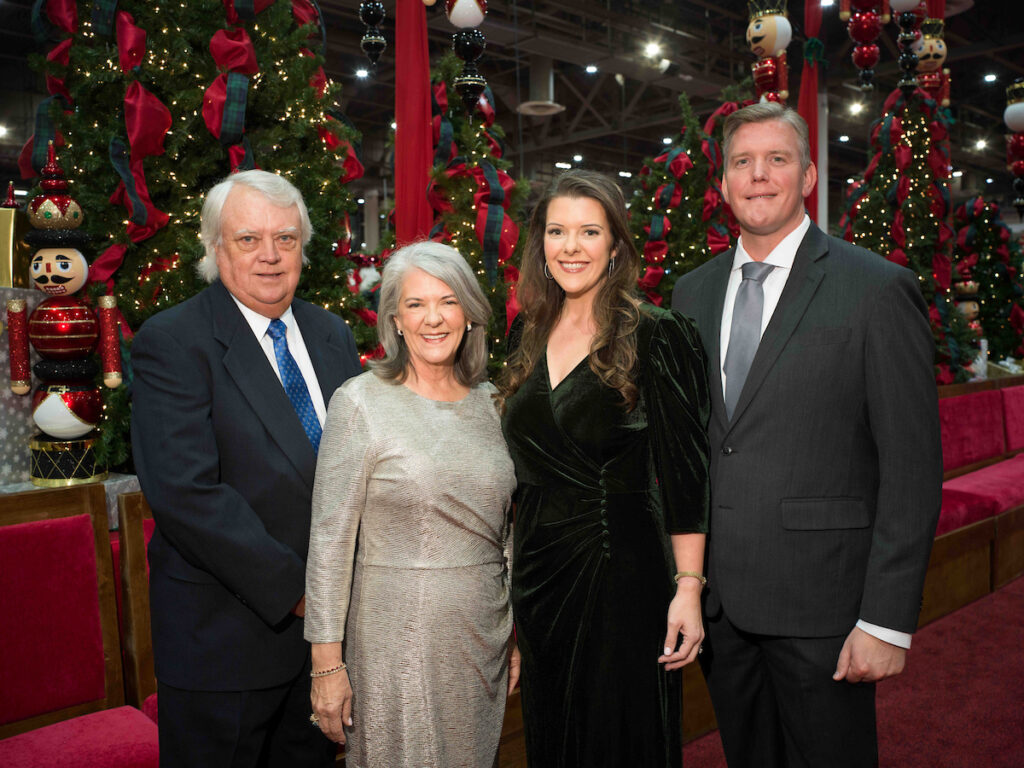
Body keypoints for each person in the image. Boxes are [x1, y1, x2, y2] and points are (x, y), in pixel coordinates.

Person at [672, 102, 942, 768]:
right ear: (724, 181)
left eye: (777, 159)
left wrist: (885, 620)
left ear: (810, 174)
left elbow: (911, 467)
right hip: (722, 607)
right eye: (742, 162)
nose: (758, 176)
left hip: (826, 605)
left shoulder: (875, 289)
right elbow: (695, 449)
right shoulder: (689, 295)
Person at [131, 170, 361, 768]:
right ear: (214, 247)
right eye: (248, 239)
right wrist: (307, 594)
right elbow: (187, 495)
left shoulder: (331, 333)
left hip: (323, 649)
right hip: (223, 646)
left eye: (285, 239)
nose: (269, 256)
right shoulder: (173, 341)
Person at [497, 169, 710, 768]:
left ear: (615, 245)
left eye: (589, 232)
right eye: (558, 231)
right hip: (539, 576)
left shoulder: (658, 334)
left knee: (621, 735)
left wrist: (688, 589)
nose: (571, 247)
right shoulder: (526, 330)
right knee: (553, 735)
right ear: (540, 242)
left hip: (621, 570)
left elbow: (687, 473)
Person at [304, 241, 518, 767]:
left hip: (482, 635)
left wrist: (515, 634)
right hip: (394, 640)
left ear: (469, 313)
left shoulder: (493, 403)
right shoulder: (359, 402)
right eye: (416, 304)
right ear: (395, 320)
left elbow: (507, 530)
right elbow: (330, 542)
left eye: (447, 301)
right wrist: (326, 664)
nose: (433, 319)